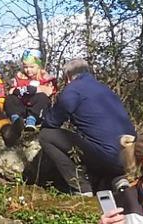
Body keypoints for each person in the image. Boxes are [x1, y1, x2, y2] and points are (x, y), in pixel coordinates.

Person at [43, 58, 136, 191]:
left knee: (46, 135)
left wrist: (46, 99)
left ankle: (81, 188)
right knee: (100, 144)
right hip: (130, 155)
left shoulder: (73, 90)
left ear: (68, 77)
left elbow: (52, 121)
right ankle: (119, 180)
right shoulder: (104, 89)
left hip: (106, 156)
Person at [4, 51, 56, 136]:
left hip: (36, 109)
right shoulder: (20, 78)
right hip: (22, 107)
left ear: (38, 66)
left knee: (42, 98)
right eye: (25, 67)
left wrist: (36, 89)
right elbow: (11, 91)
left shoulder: (45, 78)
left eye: (32, 67)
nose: (28, 70)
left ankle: (32, 120)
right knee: (10, 99)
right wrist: (16, 90)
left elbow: (49, 91)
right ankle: (16, 120)